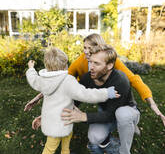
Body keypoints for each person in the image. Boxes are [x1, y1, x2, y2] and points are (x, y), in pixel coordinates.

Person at [61, 44, 165, 154]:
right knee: (94, 136)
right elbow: (76, 99)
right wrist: (53, 112)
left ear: (109, 65)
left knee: (122, 114)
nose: (90, 66)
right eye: (90, 62)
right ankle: (115, 133)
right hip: (108, 114)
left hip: (128, 111)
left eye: (96, 63)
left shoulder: (120, 79)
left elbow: (110, 114)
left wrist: (83, 116)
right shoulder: (88, 77)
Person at [23, 47, 119, 154]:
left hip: (57, 120)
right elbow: (86, 94)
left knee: (68, 132)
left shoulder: (43, 79)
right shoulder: (67, 80)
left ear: (47, 65)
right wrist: (107, 92)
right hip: (60, 121)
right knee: (48, 151)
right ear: (64, 65)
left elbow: (32, 79)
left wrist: (31, 68)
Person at [24, 33, 164, 127]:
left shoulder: (112, 62)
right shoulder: (80, 62)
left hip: (112, 91)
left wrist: (153, 105)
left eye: (89, 48)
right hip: (90, 90)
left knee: (119, 110)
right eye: (84, 47)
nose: (85, 52)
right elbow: (59, 81)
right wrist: (38, 98)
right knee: (96, 113)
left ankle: (128, 123)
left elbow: (134, 80)